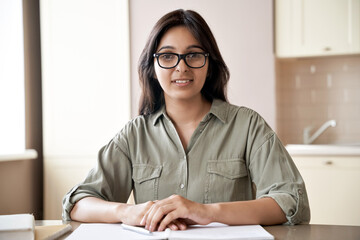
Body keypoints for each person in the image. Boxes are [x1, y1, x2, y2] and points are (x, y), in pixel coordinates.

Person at [62, 9, 310, 231]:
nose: (181, 68)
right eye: (168, 56)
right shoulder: (134, 135)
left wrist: (206, 212)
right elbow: (77, 204)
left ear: (209, 64)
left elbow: (291, 201)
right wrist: (127, 212)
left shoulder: (248, 125)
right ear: (153, 67)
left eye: (193, 55)